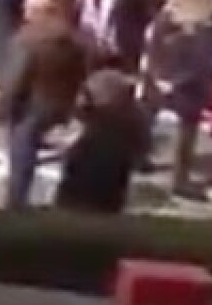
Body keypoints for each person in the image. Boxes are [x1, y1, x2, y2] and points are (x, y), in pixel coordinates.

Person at [0, 0, 92, 210]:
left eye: (28, 10)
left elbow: (16, 79)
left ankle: (15, 204)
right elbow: (81, 71)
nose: (25, 15)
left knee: (21, 154)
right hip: (60, 105)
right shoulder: (71, 38)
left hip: (32, 108)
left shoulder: (27, 40)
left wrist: (2, 107)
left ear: (34, 12)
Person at [142, 0, 212, 201]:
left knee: (150, 117)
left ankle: (141, 159)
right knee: (185, 131)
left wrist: (160, 77)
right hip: (184, 85)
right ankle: (179, 180)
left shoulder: (163, 24)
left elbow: (152, 50)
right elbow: (201, 61)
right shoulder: (194, 30)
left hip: (164, 80)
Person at [54, 69, 149, 215]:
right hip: (111, 191)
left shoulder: (96, 131)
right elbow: (140, 152)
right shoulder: (133, 118)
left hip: (82, 191)